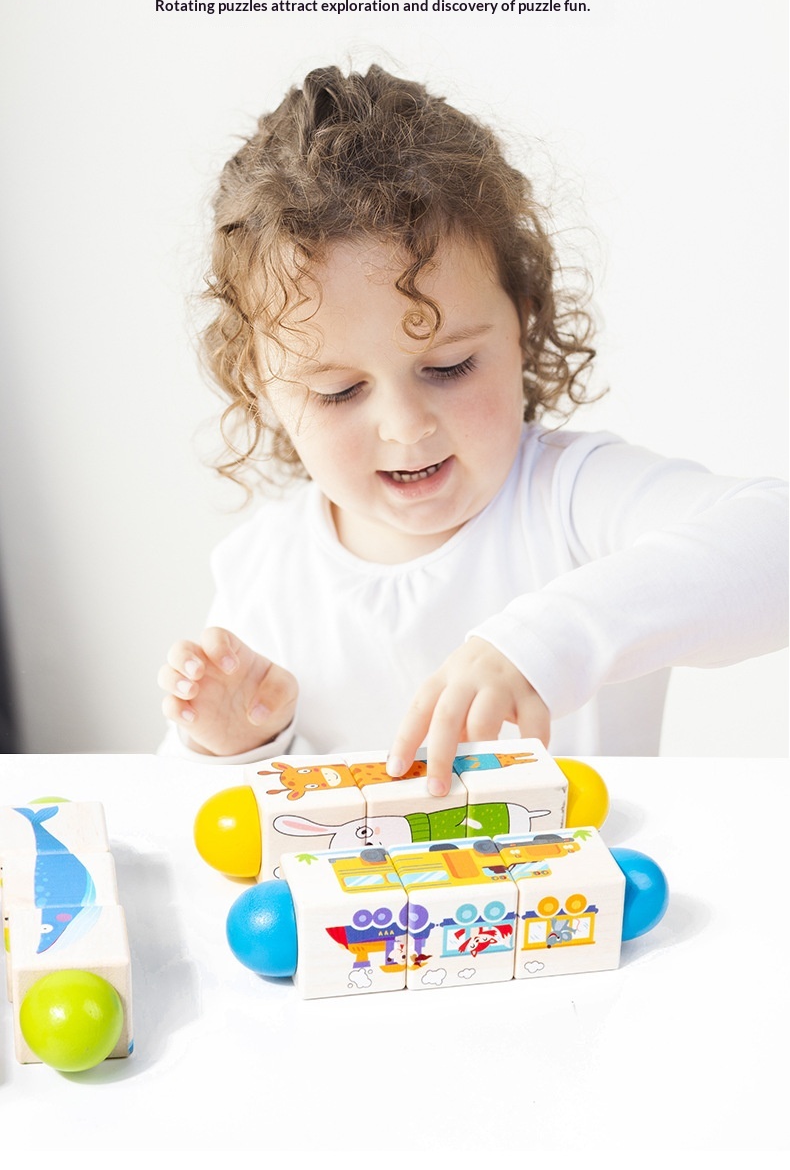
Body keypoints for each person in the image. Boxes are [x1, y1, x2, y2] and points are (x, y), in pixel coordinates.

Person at [158, 64, 787, 787]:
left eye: (449, 366)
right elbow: (207, 817)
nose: (405, 427)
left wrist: (544, 640)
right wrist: (238, 746)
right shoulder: (264, 572)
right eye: (339, 391)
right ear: (260, 386)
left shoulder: (570, 501)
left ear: (522, 322)